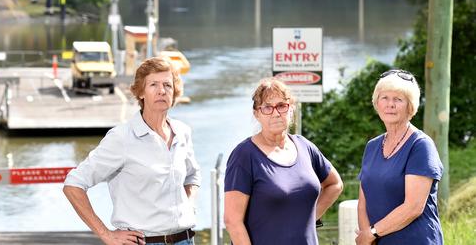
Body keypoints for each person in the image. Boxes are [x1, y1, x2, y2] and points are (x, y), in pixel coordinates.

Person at [64, 57, 201, 245]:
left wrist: (189, 207)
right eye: (154, 84)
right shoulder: (122, 138)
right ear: (141, 92)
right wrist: (106, 234)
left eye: (168, 85)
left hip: (185, 240)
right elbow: (74, 184)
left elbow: (192, 177)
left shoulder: (182, 132)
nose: (162, 91)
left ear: (174, 91)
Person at [224, 77, 343, 244]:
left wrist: (309, 219)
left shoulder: (305, 146)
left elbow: (334, 184)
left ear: (291, 109)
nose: (276, 113)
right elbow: (232, 221)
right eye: (267, 107)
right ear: (257, 113)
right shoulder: (244, 155)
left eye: (281, 106)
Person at [355, 69, 444, 244]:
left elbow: (413, 208)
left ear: (410, 106)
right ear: (377, 103)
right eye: (385, 98)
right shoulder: (372, 146)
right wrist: (367, 236)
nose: (390, 104)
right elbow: (362, 202)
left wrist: (372, 232)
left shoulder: (421, 145)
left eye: (398, 99)